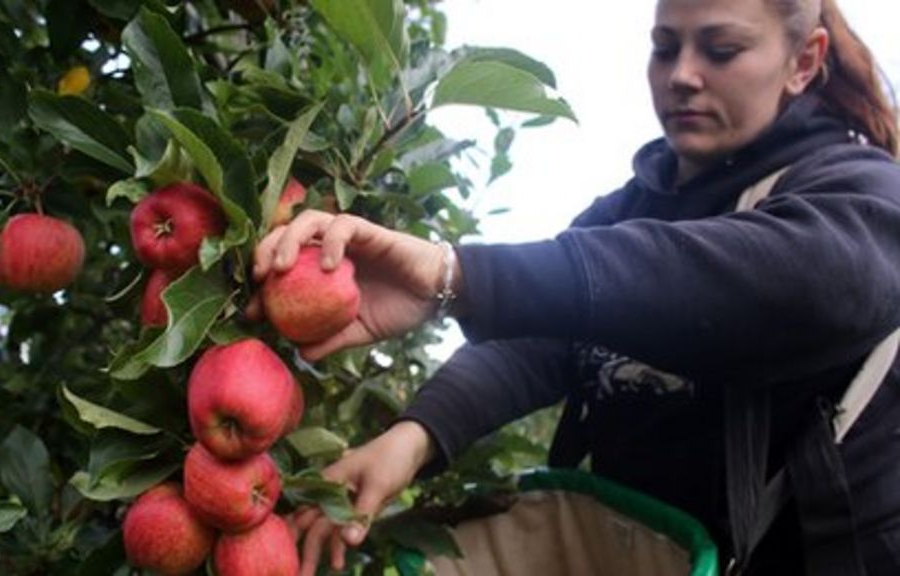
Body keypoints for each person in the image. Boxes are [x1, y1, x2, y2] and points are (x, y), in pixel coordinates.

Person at [252, 0, 900, 574]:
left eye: (722, 49)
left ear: (804, 61)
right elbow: (550, 337)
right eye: (665, 47)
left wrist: (459, 273)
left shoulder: (859, 192)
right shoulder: (630, 210)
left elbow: (780, 282)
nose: (682, 75)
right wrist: (413, 437)